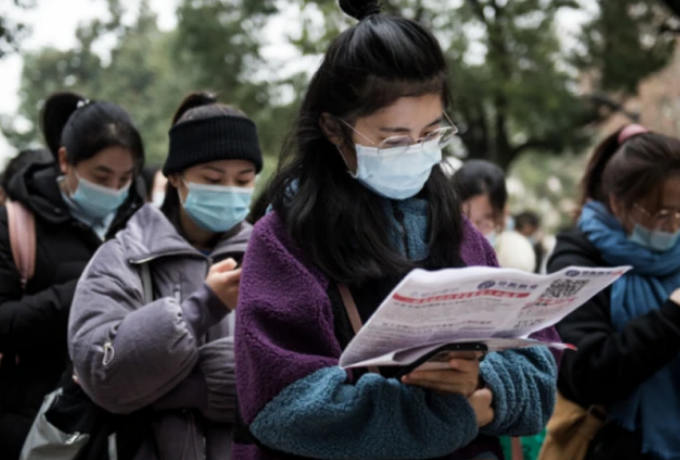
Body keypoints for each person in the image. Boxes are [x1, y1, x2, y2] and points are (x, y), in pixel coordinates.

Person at [234, 2, 560, 460]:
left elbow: (539, 358)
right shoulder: (287, 240)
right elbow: (282, 403)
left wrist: (486, 387)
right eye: (394, 140)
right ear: (333, 129)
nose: (417, 152)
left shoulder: (458, 231)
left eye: (431, 133)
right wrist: (458, 414)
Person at [68, 92, 262, 460]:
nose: (230, 192)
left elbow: (297, 371)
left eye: (243, 180)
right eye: (213, 179)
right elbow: (99, 372)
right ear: (175, 176)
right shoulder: (123, 257)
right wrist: (200, 310)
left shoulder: (270, 257)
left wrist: (172, 385)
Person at [0, 92, 145, 459]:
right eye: (101, 175)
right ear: (65, 160)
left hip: (121, 429)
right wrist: (87, 287)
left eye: (125, 178)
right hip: (31, 424)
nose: (114, 189)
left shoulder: (142, 227)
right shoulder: (16, 224)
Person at [549, 124, 680, 460]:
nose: (674, 227)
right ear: (618, 204)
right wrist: (671, 316)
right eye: (662, 215)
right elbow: (586, 373)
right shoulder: (578, 261)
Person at [453, 160, 537, 273]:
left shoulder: (512, 253)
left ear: (502, 215)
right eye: (464, 220)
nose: (473, 232)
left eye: (484, 222)